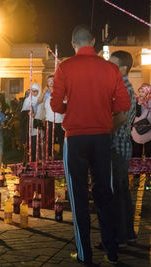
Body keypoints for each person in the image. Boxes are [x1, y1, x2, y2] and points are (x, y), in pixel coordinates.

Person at [51, 25, 130, 264]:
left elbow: (55, 105)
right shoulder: (111, 68)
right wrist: (103, 110)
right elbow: (123, 104)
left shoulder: (64, 67)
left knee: (77, 195)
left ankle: (85, 253)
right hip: (102, 137)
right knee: (104, 192)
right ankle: (111, 249)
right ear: (93, 41)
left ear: (73, 43)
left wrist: (70, 109)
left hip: (75, 138)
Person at [108, 50, 137, 248]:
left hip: (118, 145)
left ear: (123, 68)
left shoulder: (124, 87)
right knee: (122, 191)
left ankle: (119, 237)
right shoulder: (121, 85)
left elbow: (121, 117)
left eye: (113, 64)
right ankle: (128, 233)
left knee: (117, 191)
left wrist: (102, 130)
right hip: (120, 144)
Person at [38, 75, 65, 159]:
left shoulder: (59, 91)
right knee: (49, 139)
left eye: (53, 80)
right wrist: (43, 93)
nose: (51, 82)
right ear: (47, 82)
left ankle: (61, 155)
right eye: (49, 80)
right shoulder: (45, 93)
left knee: (61, 138)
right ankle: (49, 155)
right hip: (49, 118)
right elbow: (39, 101)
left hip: (59, 118)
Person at [21, 84, 40, 162]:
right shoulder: (27, 100)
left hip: (37, 123)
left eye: (36, 91)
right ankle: (30, 158)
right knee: (30, 141)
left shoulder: (40, 99)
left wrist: (36, 114)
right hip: (29, 124)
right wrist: (28, 112)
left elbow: (42, 110)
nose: (34, 93)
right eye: (32, 91)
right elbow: (23, 112)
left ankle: (36, 158)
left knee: (36, 141)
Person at [131, 83, 151, 156]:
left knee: (148, 152)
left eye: (143, 91)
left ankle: (148, 167)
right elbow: (137, 114)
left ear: (148, 91)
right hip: (137, 130)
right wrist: (139, 104)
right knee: (136, 152)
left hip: (148, 130)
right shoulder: (137, 100)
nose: (140, 93)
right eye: (140, 91)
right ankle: (137, 166)